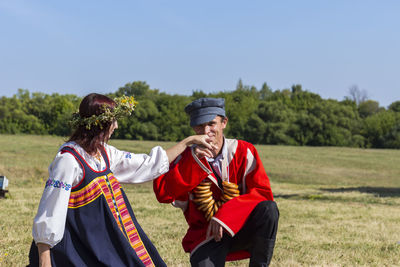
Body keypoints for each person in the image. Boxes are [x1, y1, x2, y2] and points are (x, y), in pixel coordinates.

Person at [28, 93, 213, 267]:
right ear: (101, 124)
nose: (116, 126)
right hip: (78, 244)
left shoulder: (104, 152)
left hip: (106, 237)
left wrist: (187, 142)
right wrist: (45, 260)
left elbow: (147, 164)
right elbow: (51, 209)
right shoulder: (68, 160)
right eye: (113, 121)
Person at [153, 98, 279, 266]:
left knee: (269, 210)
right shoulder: (184, 159)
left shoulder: (243, 151)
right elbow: (164, 194)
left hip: (240, 227)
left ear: (224, 123)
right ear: (193, 128)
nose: (206, 131)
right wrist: (192, 163)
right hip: (205, 235)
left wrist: (225, 216)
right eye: (199, 126)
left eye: (212, 124)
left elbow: (263, 194)